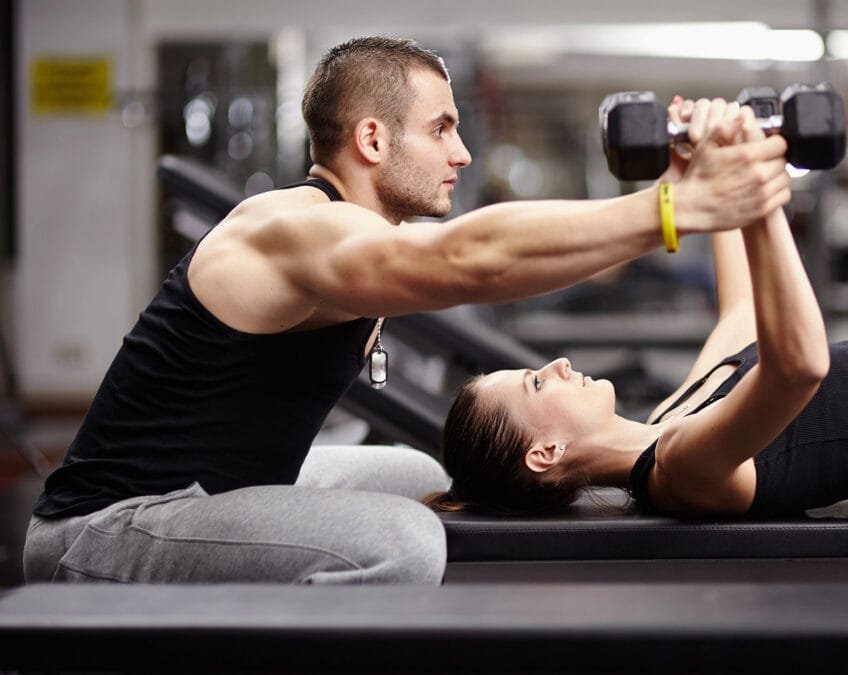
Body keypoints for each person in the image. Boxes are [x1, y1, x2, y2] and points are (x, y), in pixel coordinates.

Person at [23, 37, 793, 584]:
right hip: (108, 525)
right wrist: (674, 207)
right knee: (407, 541)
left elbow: (523, 255)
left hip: (215, 490)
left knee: (415, 471)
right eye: (441, 129)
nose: (461, 154)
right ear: (372, 138)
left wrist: (687, 191)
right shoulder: (292, 230)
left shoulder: (354, 232)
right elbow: (470, 259)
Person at [428, 96, 848, 519]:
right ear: (544, 453)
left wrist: (698, 179)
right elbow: (798, 367)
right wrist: (752, 186)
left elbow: (740, 312)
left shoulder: (670, 420)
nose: (557, 364)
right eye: (535, 382)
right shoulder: (680, 468)